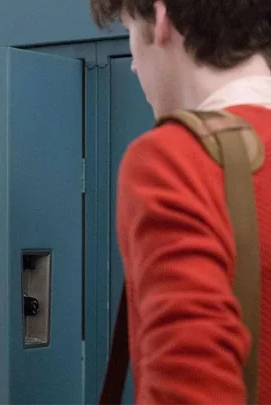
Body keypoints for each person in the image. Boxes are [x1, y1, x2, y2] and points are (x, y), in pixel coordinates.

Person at [90, 0, 271, 403]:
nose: (134, 65)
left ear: (160, 19)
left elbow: (190, 390)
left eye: (127, 31)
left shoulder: (176, 158)